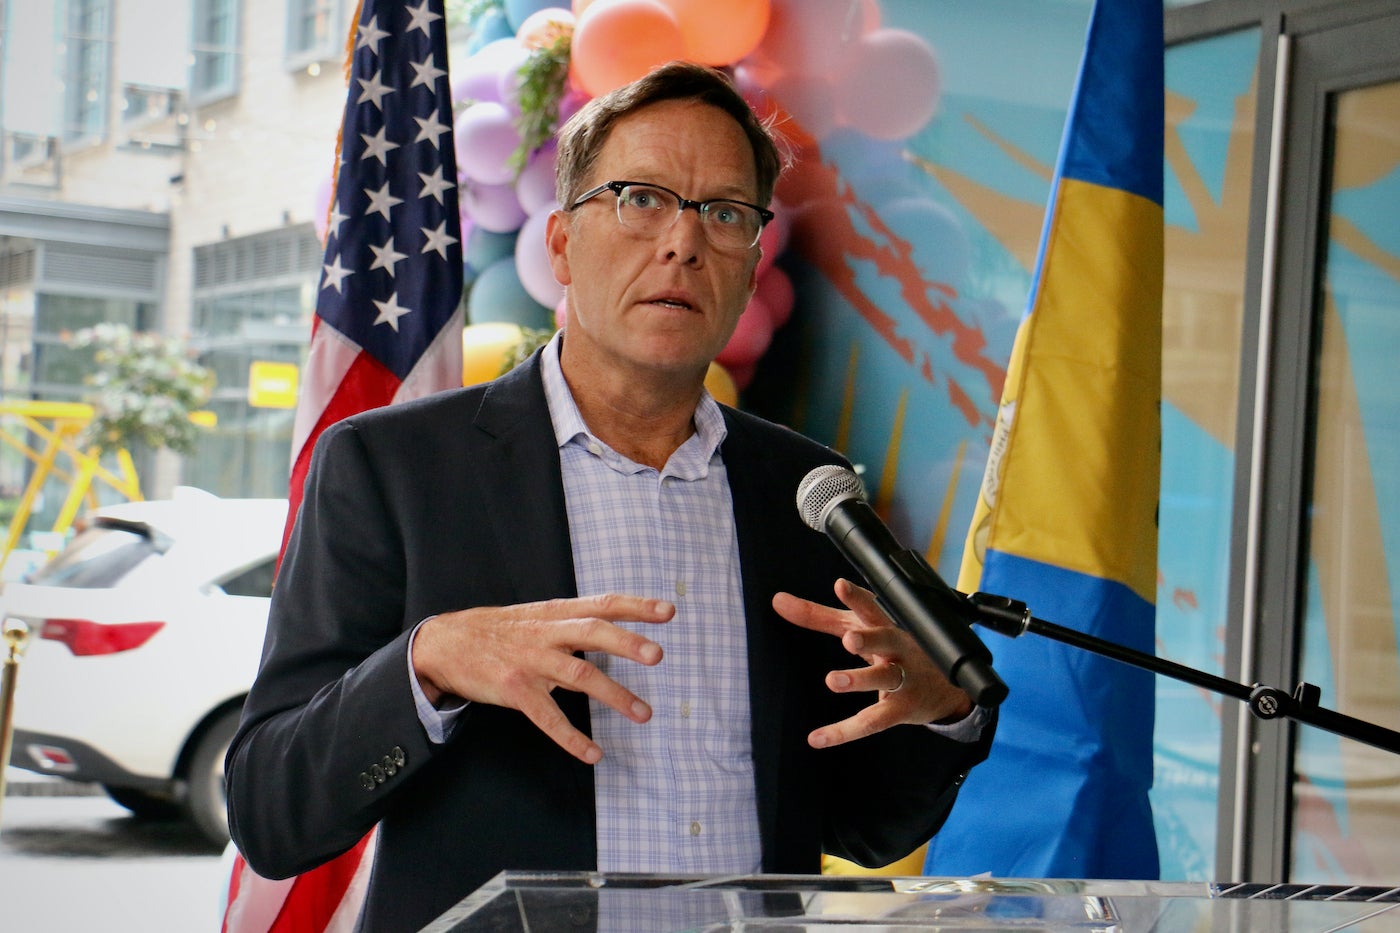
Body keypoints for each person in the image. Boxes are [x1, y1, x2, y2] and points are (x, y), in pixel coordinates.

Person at [225, 61, 994, 933]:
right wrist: (429, 659)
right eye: (640, 199)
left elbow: (862, 822)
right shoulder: (392, 467)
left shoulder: (806, 493)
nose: (682, 242)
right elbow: (270, 809)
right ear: (559, 244)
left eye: (725, 213)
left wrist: (941, 713)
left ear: (749, 269)